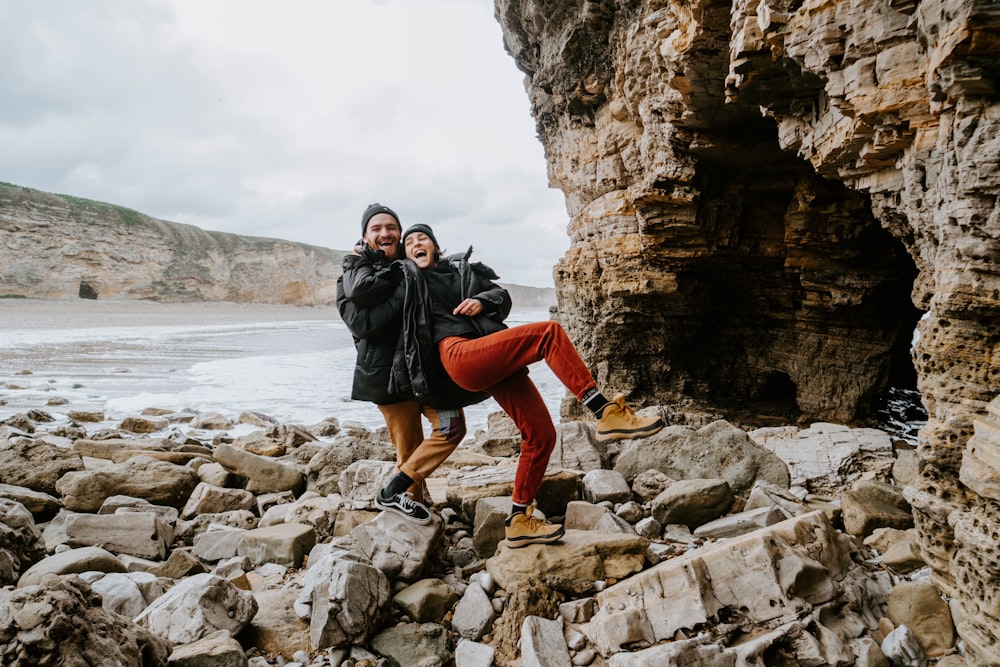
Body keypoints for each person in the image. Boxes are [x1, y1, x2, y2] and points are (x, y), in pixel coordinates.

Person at [395, 223, 665, 547]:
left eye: (422, 238)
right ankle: (604, 411)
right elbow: (370, 291)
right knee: (548, 334)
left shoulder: (461, 270)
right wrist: (364, 258)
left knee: (541, 436)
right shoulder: (409, 278)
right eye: (409, 242)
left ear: (435, 246)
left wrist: (482, 300)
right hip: (458, 353)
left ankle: (519, 519)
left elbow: (501, 296)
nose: (416, 244)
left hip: (488, 348)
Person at [336, 203, 484, 526]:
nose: (385, 233)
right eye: (376, 229)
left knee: (452, 427)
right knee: (409, 452)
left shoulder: (414, 269)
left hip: (428, 376)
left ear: (399, 235)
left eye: (391, 227)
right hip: (387, 382)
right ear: (364, 237)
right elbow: (364, 324)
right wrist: (402, 284)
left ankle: (397, 495)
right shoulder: (350, 278)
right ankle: (414, 530)